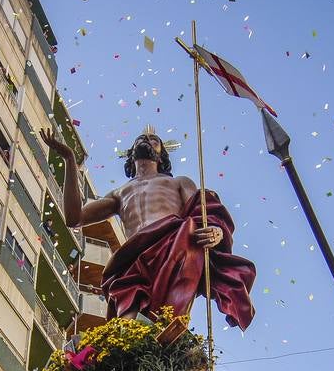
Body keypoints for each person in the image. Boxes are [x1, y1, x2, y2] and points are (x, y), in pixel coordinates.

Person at [39, 126, 256, 328]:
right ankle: (123, 351)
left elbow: (202, 214)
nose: (146, 140)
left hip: (172, 248)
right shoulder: (119, 194)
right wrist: (69, 159)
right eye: (141, 139)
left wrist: (216, 231)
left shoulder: (178, 182)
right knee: (126, 309)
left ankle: (162, 339)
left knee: (168, 313)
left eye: (154, 140)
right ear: (131, 153)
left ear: (161, 155)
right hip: (133, 256)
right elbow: (73, 217)